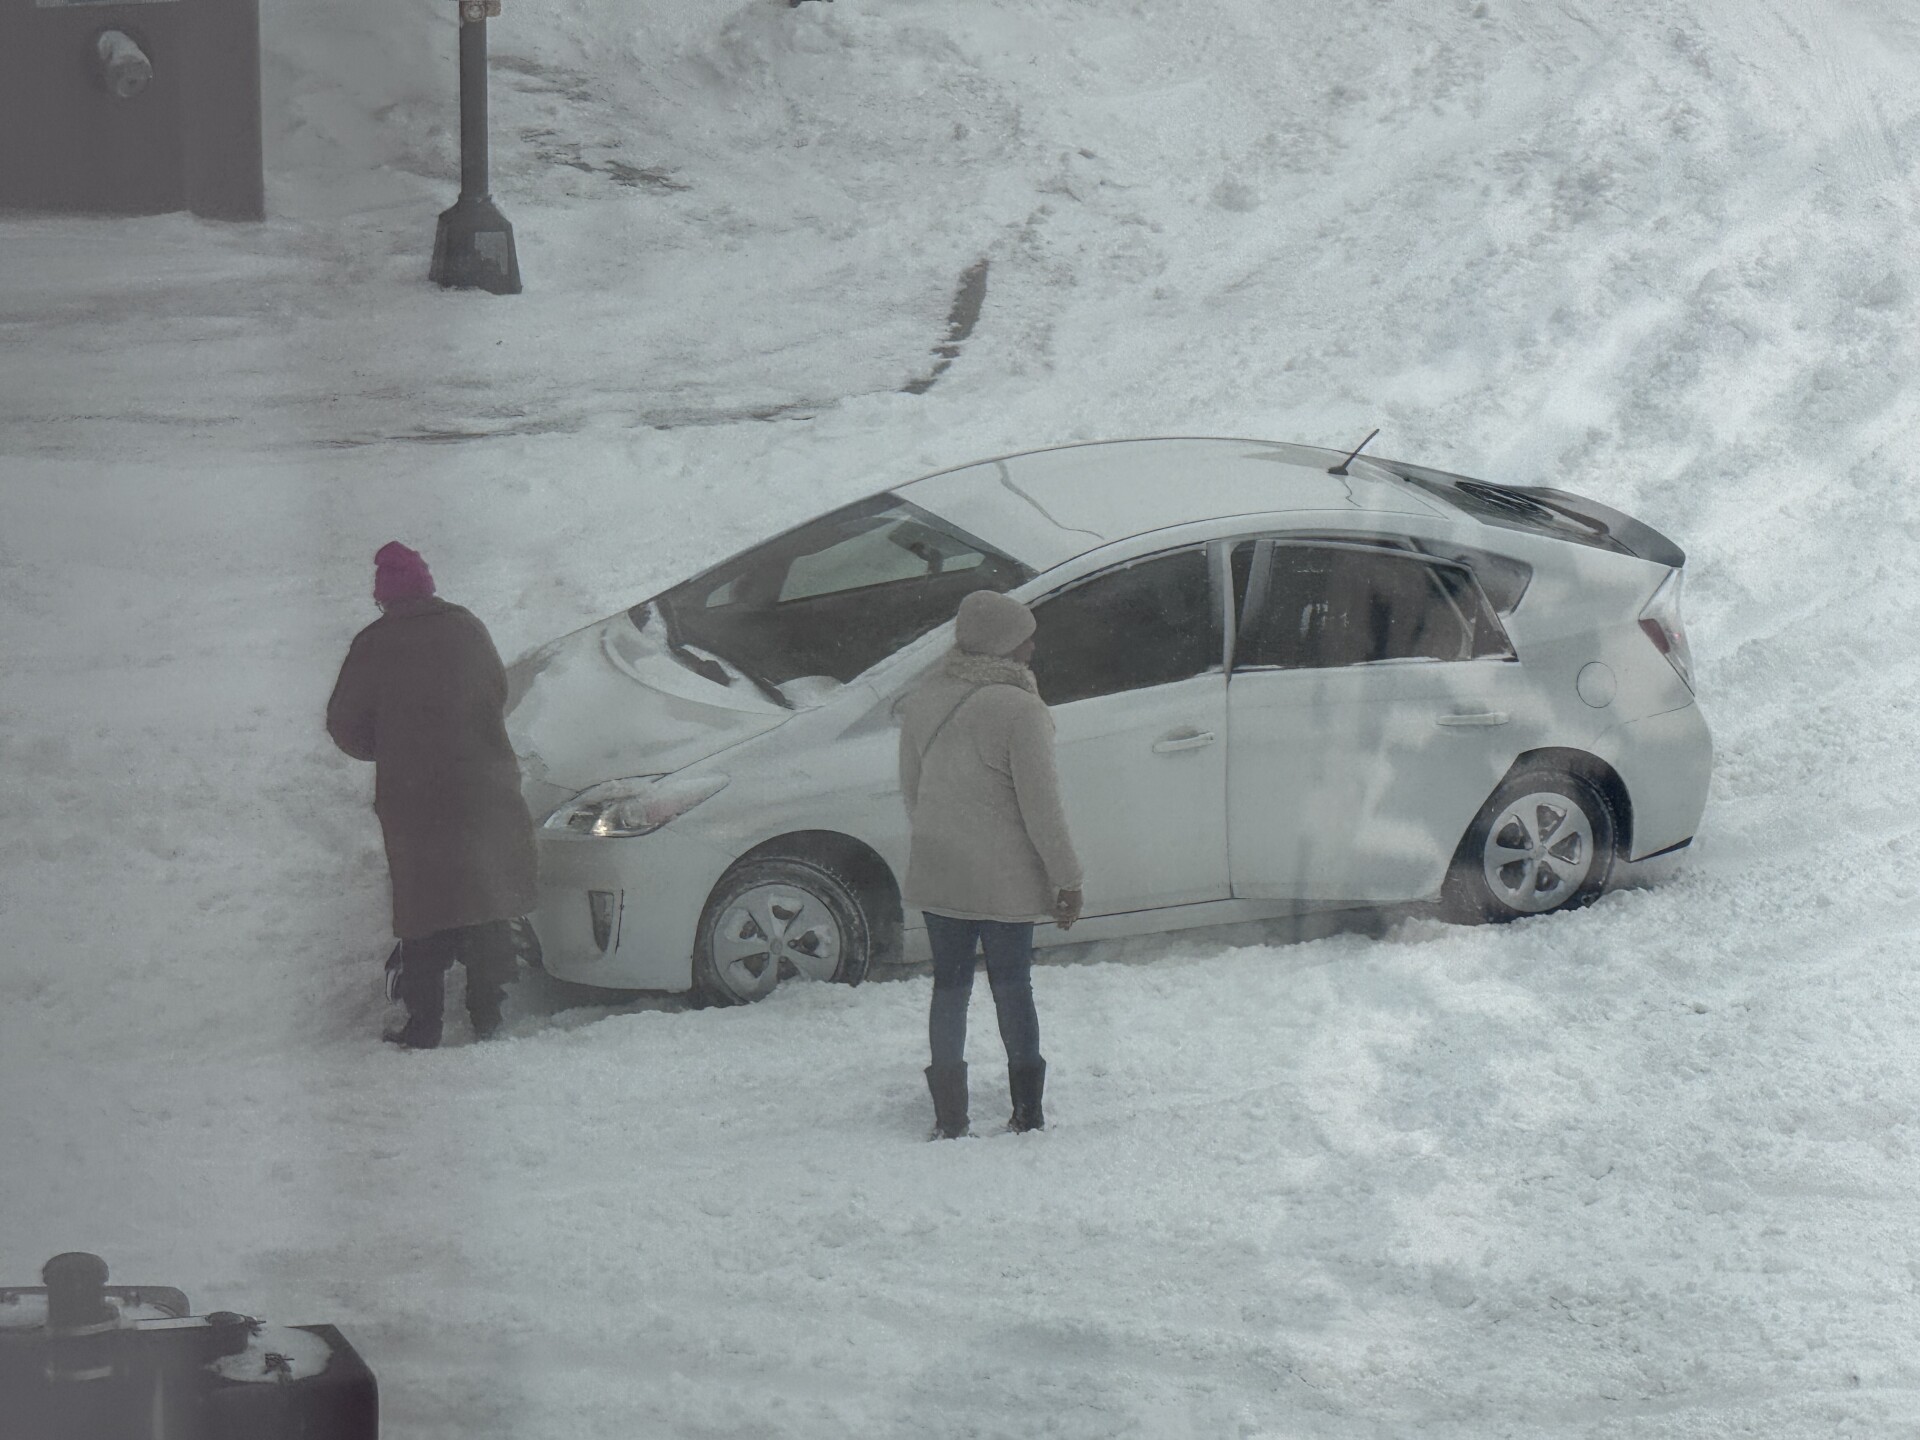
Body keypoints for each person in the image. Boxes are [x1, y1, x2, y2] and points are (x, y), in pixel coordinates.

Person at [325, 542, 538, 1049]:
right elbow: (497, 691)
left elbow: (343, 725)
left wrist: (389, 746)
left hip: (414, 797)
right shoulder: (467, 627)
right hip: (482, 786)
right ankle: (489, 1016)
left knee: (424, 908)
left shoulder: (373, 645)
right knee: (484, 897)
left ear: (385, 599)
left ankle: (423, 1025)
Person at [898, 590, 1084, 1138]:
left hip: (940, 871)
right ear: (1006, 644)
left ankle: (949, 1116)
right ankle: (1027, 1111)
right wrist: (1068, 878)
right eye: (1026, 635)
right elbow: (1042, 810)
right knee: (1012, 988)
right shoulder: (1021, 710)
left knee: (949, 990)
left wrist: (944, 841)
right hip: (1005, 883)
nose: (1033, 645)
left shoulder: (925, 697)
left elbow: (914, 791)